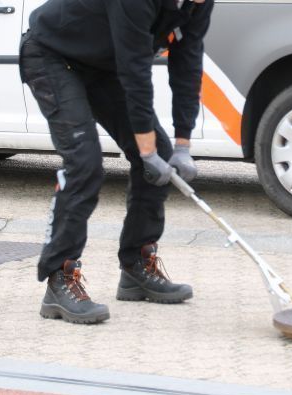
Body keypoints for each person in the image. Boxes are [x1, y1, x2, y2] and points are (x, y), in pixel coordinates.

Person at [20, 0, 214, 324]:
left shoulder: (198, 3)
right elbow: (135, 71)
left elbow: (188, 62)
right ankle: (59, 277)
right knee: (84, 163)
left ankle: (137, 265)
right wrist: (146, 151)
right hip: (52, 55)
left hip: (103, 66)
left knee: (161, 154)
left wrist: (182, 145)